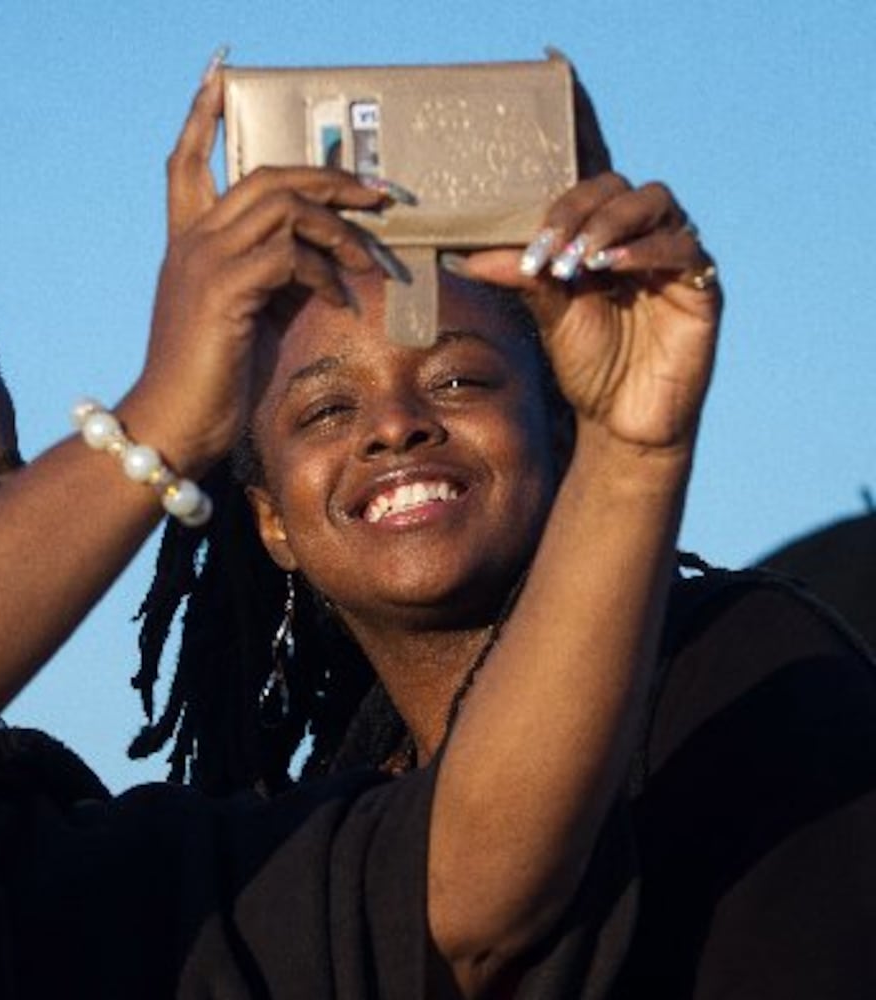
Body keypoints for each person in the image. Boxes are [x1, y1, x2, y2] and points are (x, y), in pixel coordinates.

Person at [0, 62, 744, 1000]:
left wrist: (635, 449)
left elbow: (464, 894)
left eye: (12, 470)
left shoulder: (59, 858)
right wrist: (157, 427)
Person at [134, 59, 876, 1000]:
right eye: (324, 412)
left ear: (563, 434)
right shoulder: (324, 835)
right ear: (271, 521)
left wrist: (636, 441)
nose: (394, 427)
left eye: (458, 381)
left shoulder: (742, 668)